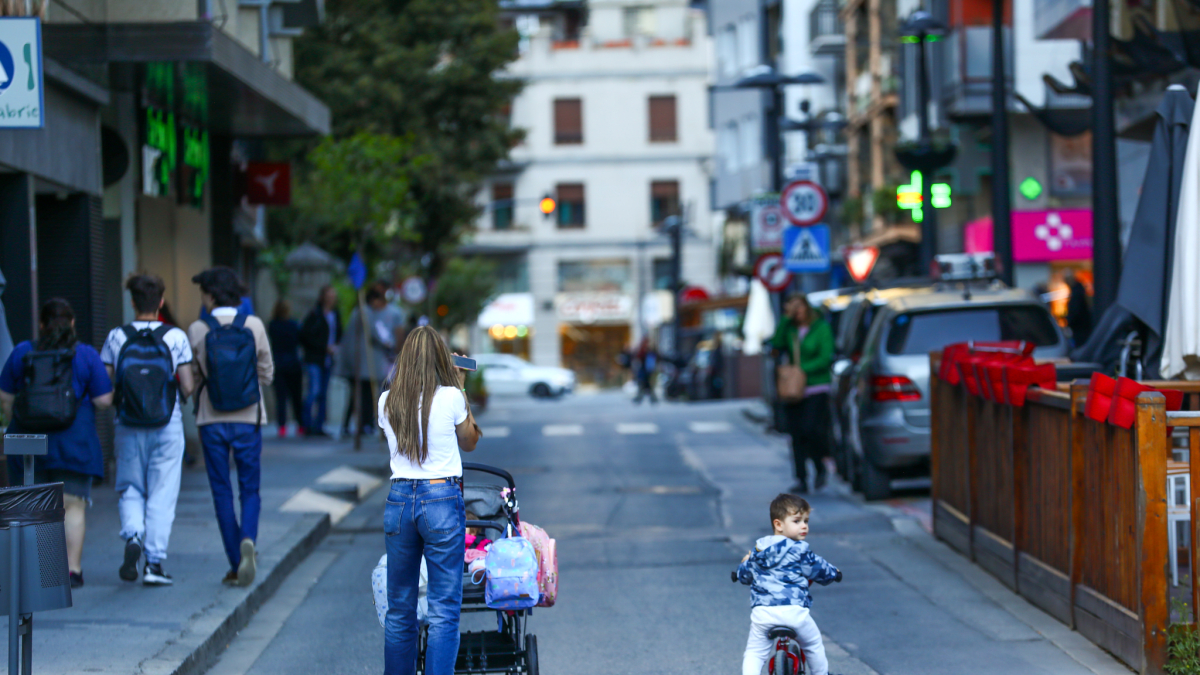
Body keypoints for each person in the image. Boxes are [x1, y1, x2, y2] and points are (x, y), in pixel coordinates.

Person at [379, 325, 481, 675]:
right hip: (440, 500)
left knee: (400, 609)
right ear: (441, 359)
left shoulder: (386, 401)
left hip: (399, 499)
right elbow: (470, 442)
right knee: (443, 609)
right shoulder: (451, 396)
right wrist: (460, 384)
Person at [0, 298, 113, 589]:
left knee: (34, 506)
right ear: (73, 323)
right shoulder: (85, 354)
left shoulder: (22, 351)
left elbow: (5, 397)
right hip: (75, 442)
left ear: (41, 324)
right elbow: (103, 400)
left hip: (29, 442)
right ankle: (71, 571)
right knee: (72, 506)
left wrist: (21, 420)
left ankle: (42, 572)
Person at [101, 275, 196, 586]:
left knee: (130, 486)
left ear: (132, 302)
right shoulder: (175, 336)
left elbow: (105, 384)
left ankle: (133, 535)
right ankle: (153, 563)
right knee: (162, 491)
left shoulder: (116, 336)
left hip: (127, 424)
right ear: (161, 302)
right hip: (166, 424)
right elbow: (188, 385)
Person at [187, 267, 274, 587]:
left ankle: (236, 563)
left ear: (210, 296)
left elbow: (194, 376)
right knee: (249, 488)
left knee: (221, 490)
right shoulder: (254, 325)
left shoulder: (197, 329)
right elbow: (267, 373)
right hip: (248, 418)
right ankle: (248, 537)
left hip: (211, 419)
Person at [736, 494, 842, 675]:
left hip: (763, 614)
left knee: (755, 652)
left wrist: (742, 565)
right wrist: (835, 573)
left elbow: (744, 575)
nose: (804, 526)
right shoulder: (800, 551)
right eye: (797, 521)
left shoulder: (758, 552)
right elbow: (820, 569)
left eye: (806, 521)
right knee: (813, 644)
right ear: (778, 525)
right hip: (794, 614)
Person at [770, 293, 834, 494]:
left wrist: (802, 370)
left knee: (810, 429)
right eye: (792, 307)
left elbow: (826, 356)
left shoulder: (821, 328)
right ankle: (801, 478)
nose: (796, 311)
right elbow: (776, 345)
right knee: (796, 434)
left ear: (806, 307)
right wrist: (785, 320)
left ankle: (819, 466)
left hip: (816, 386)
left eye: (799, 307)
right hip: (794, 389)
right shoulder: (790, 329)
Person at [339, 282, 405, 437]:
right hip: (364, 362)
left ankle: (356, 425)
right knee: (365, 395)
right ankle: (365, 424)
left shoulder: (361, 312)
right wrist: (390, 345)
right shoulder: (365, 313)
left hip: (361, 362)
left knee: (360, 395)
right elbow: (377, 334)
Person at [299, 286, 342, 437]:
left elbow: (339, 333)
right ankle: (306, 424)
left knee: (323, 393)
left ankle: (319, 425)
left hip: (327, 360)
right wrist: (324, 347)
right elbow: (305, 335)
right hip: (314, 359)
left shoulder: (335, 314)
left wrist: (335, 347)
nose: (331, 299)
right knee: (314, 391)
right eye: (329, 296)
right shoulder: (315, 314)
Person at [268, 299, 304, 438]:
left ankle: (282, 426)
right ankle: (300, 425)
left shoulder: (273, 325)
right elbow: (299, 340)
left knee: (281, 398)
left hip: (278, 364)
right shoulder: (293, 324)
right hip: (293, 364)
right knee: (296, 397)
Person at [1064, 270, 1093, 347]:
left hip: (1080, 328)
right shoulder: (1079, 290)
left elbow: (1075, 310)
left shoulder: (1076, 293)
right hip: (1083, 327)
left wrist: (1069, 320)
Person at [633, 336, 658, 404]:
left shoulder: (650, 350)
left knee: (649, 385)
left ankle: (653, 398)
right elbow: (638, 357)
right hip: (644, 370)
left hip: (649, 370)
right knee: (643, 385)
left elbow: (656, 357)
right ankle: (642, 398)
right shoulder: (642, 350)